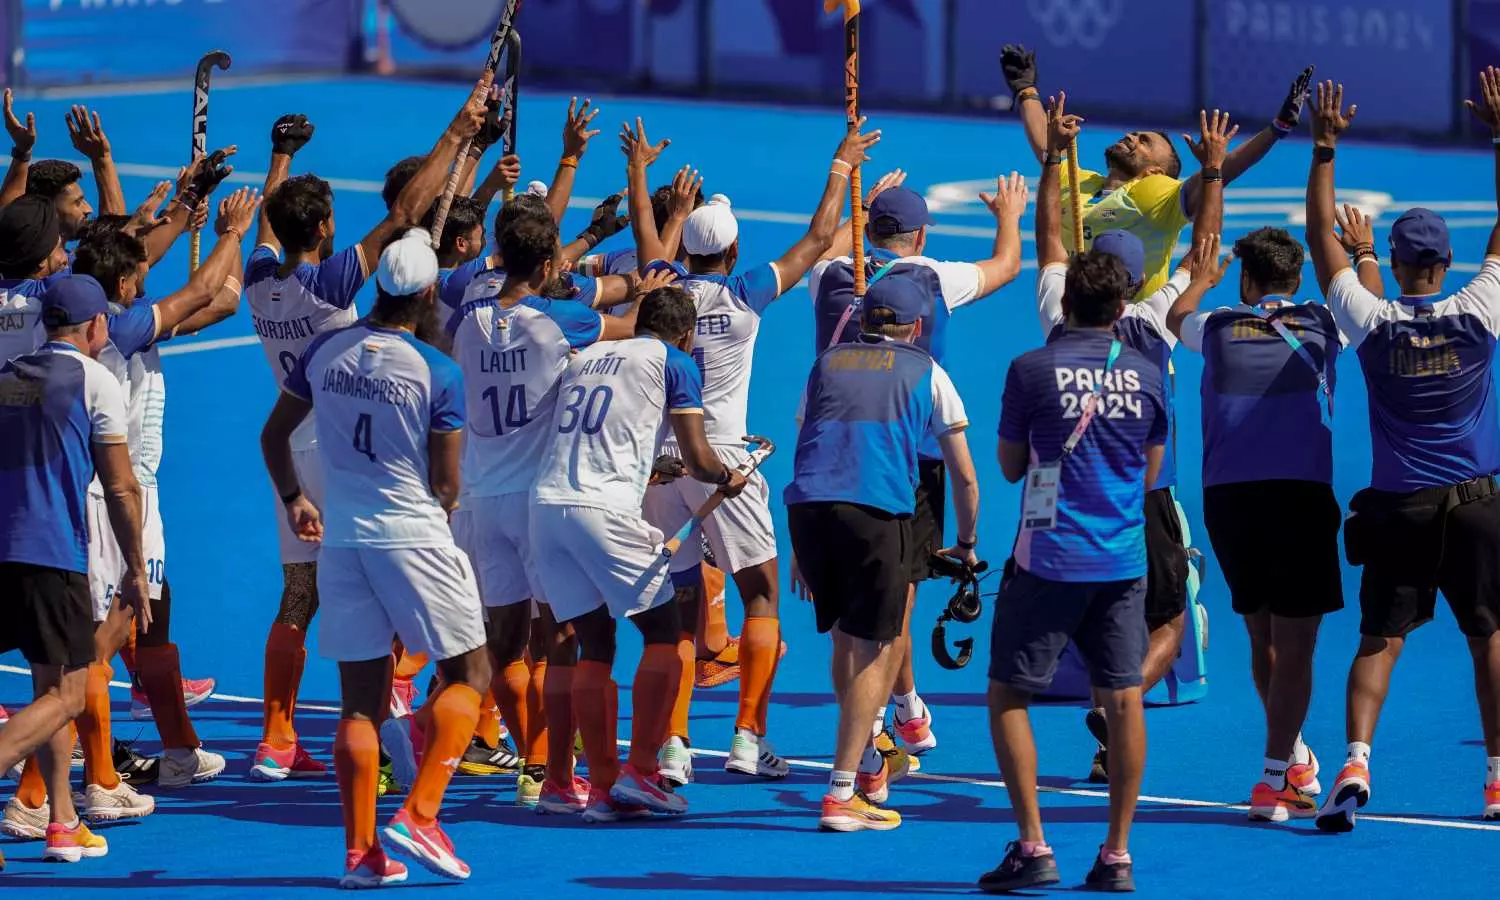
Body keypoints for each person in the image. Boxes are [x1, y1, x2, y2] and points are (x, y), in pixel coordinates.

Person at [245, 79, 488, 782]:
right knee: (380, 588)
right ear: (325, 228)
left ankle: (276, 737)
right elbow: (407, 213)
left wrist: (280, 159)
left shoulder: (261, 281)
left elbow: (268, 230)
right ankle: (396, 715)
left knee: (299, 595)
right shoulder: (330, 285)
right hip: (346, 450)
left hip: (290, 452)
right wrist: (459, 131)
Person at [627, 117, 878, 784]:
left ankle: (674, 745)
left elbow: (649, 238)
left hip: (660, 467)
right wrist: (842, 166)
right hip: (726, 463)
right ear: (735, 252)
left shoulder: (662, 293)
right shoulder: (744, 295)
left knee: (679, 610)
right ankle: (748, 738)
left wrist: (644, 181)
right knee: (761, 597)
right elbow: (819, 239)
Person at [261, 228, 490, 886]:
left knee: (359, 704)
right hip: (413, 534)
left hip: (343, 542)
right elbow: (445, 484)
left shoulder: (325, 350)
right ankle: (421, 814)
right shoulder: (438, 371)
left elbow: (273, 435)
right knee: (470, 671)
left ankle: (362, 855)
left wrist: (295, 499)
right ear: (427, 292)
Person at [1305, 74, 1500, 831]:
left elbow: (1321, 239)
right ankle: (1496, 781)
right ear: (1447, 262)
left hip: (1400, 509)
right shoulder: (1480, 310)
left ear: (1391, 258)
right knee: (1488, 638)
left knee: (1379, 641)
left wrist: (1324, 149)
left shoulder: (1373, 321)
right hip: (1477, 505)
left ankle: (1355, 761)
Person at [1035, 97, 1228, 783]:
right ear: (1135, 283)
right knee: (1166, 621)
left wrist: (1053, 158)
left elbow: (1048, 240)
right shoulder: (1153, 323)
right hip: (1139, 494)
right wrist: (1213, 171)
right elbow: (1202, 255)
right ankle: (1113, 709)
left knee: (1073, 609)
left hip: (1059, 495)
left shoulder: (1053, 317)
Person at [805, 168, 1024, 758]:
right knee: (895, 600)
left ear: (868, 230)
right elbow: (1006, 265)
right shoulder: (932, 276)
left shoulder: (828, 275)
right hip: (910, 459)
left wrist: (859, 206)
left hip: (831, 456)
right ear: (921, 236)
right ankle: (878, 729)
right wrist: (1008, 216)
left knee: (861, 615)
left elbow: (821, 244)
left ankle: (904, 708)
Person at [981, 250, 1169, 893]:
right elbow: (1150, 471)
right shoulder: (1147, 374)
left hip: (1049, 558)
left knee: (1009, 694)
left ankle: (1034, 846)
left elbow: (1011, 467)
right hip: (1121, 560)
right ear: (1121, 309)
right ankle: (1117, 855)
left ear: (1065, 306)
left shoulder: (1030, 369)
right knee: (1124, 699)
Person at [447, 214, 648, 810]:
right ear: (544, 266)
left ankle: (512, 756)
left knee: (503, 645)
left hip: (479, 499)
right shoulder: (560, 319)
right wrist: (657, 282)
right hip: (536, 499)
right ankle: (556, 775)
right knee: (560, 638)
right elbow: (634, 327)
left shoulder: (467, 319)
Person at [530, 284, 748, 823]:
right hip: (603, 512)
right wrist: (727, 476)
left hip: (547, 508)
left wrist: (649, 469)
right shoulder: (675, 362)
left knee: (596, 643)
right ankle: (644, 768)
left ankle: (602, 789)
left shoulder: (588, 357)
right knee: (665, 633)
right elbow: (699, 457)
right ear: (686, 334)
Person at [785, 275, 978, 832]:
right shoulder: (928, 371)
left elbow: (806, 443)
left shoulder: (824, 364)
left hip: (809, 511)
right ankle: (842, 791)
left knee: (846, 639)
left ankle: (869, 761)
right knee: (878, 648)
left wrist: (799, 547)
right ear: (917, 327)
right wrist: (966, 545)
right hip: (875, 513)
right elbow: (964, 477)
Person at [1163, 221, 1339, 821]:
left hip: (1231, 499)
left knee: (1262, 637)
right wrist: (1361, 253)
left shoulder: (1216, 326)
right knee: (1296, 647)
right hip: (1300, 495)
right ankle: (1273, 779)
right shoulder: (1325, 322)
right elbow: (1359, 292)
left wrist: (1201, 278)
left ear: (1245, 280)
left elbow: (1176, 316)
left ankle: (1290, 756)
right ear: (1298, 276)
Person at [0, 275, 149, 864]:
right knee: (68, 696)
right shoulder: (96, 379)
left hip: (4, 548)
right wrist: (135, 568)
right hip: (51, 551)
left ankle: (61, 820)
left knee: (46, 684)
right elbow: (121, 486)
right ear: (96, 326)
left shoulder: (9, 376)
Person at [1000, 44, 1311, 299]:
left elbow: (1221, 172)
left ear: (1154, 173)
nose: (1131, 137)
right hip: (1074, 322)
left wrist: (1277, 128)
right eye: (1135, 134)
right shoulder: (1080, 180)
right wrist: (1027, 90)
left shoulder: (1153, 195)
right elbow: (1046, 148)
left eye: (1144, 142)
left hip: (1134, 331)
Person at [0, 196, 72, 363]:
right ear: (41, 261)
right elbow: (113, 256)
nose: (66, 257)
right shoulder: (50, 291)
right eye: (60, 247)